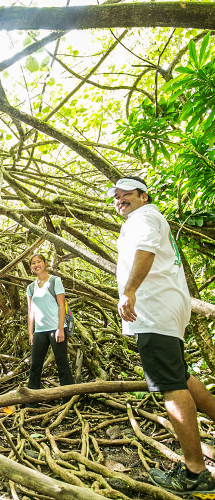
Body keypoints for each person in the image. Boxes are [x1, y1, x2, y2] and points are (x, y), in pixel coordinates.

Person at [109, 176, 215, 496]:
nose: (120, 199)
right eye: (116, 196)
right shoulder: (147, 218)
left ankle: (195, 473)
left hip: (154, 312)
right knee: (180, 376)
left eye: (126, 193)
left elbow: (146, 250)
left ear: (143, 195)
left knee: (170, 384)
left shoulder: (144, 217)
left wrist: (129, 292)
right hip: (165, 311)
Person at [26, 254, 74, 406]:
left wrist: (60, 328)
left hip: (56, 328)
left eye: (39, 262)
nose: (36, 265)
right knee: (35, 365)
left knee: (62, 364)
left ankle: (69, 401)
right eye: (33, 263)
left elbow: (61, 305)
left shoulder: (55, 281)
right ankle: (32, 401)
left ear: (45, 263)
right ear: (31, 267)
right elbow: (30, 311)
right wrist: (30, 332)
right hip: (40, 330)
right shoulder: (30, 287)